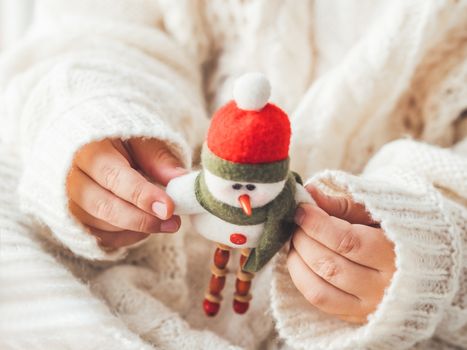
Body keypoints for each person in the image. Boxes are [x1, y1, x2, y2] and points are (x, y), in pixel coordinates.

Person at [0, 1, 466, 349]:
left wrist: (430, 244)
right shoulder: (199, 189)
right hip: (116, 263)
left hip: (371, 309)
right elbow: (93, 34)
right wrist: (98, 119)